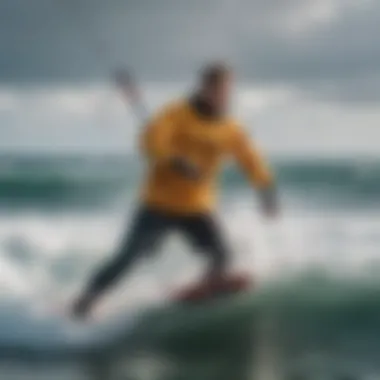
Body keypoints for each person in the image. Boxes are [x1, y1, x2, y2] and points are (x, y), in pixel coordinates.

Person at [72, 63, 278, 318]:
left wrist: (266, 189)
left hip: (197, 208)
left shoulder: (231, 128)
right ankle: (86, 299)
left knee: (222, 255)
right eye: (217, 90)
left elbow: (251, 159)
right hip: (158, 204)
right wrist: (174, 160)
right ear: (204, 89)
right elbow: (150, 142)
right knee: (129, 257)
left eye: (226, 91)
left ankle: (205, 287)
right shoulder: (176, 114)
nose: (223, 96)